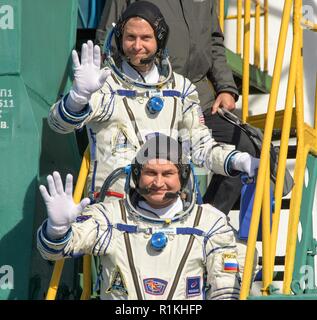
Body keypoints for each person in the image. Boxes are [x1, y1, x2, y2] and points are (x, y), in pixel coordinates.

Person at [49, 1, 258, 202]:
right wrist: (77, 98)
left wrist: (239, 160)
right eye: (130, 37)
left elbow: (199, 147)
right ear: (120, 39)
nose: (137, 46)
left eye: (145, 38)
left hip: (169, 211)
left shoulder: (180, 90)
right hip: (114, 210)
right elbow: (60, 125)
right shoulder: (106, 87)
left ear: (159, 39)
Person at [37, 134, 241, 300]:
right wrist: (57, 229)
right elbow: (55, 251)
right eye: (150, 173)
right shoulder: (109, 218)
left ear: (184, 176)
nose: (158, 182)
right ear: (136, 175)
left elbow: (225, 291)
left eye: (168, 173)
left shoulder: (209, 224)